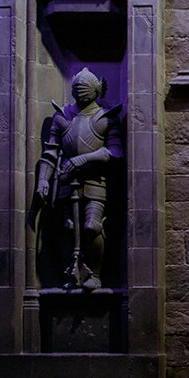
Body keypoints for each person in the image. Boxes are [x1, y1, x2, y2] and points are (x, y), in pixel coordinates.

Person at [33, 68, 123, 291]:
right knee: (69, 227)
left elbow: (115, 152)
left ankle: (95, 274)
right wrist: (43, 180)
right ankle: (72, 272)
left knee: (92, 226)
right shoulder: (62, 117)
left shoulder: (105, 118)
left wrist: (84, 158)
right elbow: (50, 152)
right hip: (66, 183)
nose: (80, 93)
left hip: (95, 183)